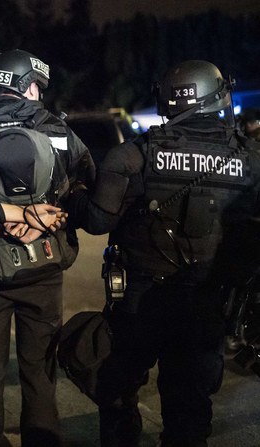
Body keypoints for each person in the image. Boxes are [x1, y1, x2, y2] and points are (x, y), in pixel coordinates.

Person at [68, 60, 260, 447]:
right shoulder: (251, 159)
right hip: (207, 303)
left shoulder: (132, 155)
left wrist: (74, 196)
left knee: (118, 394)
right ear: (216, 97)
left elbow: (98, 221)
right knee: (189, 411)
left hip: (138, 302)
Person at [0, 49, 95, 447]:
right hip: (44, 269)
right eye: (37, 87)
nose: (39, 95)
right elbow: (87, 188)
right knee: (39, 372)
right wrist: (44, 216)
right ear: (27, 87)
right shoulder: (59, 133)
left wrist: (5, 213)